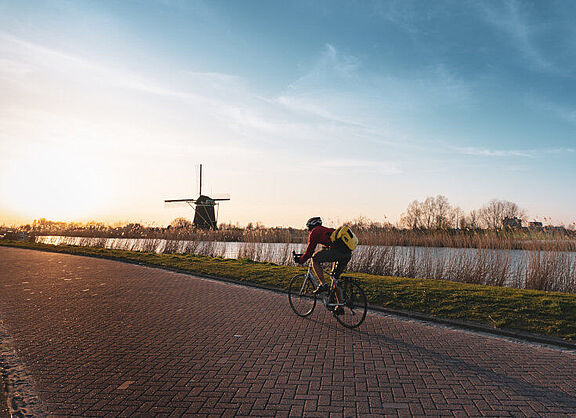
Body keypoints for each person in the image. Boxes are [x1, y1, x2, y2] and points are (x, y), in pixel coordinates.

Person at [294, 217, 352, 296]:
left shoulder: (315, 232)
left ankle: (323, 284)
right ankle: (339, 306)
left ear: (311, 226)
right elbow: (329, 245)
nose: (309, 230)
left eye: (308, 228)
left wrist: (301, 260)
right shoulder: (327, 230)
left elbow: (309, 252)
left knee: (314, 258)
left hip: (338, 253)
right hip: (347, 254)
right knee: (334, 279)